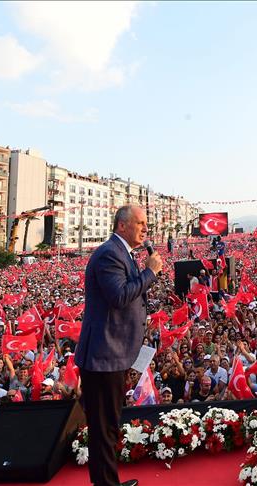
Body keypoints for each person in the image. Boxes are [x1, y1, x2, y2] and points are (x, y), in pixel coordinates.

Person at [74, 205, 163, 486]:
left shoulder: (122, 252)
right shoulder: (109, 254)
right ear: (122, 225)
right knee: (103, 429)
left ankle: (108, 482)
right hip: (103, 355)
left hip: (113, 354)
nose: (145, 229)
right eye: (140, 223)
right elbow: (119, 296)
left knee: (109, 425)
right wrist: (149, 274)